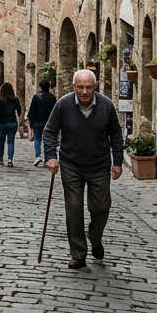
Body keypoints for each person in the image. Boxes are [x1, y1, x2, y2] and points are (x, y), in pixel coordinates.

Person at [43, 69, 124, 269]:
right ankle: (78, 253)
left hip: (99, 165)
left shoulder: (106, 105)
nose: (85, 91)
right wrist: (51, 157)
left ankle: (95, 238)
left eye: (89, 87)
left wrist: (118, 162)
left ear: (95, 87)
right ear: (74, 87)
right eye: (81, 87)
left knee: (101, 207)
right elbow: (50, 131)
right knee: (74, 209)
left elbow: (115, 135)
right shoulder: (63, 104)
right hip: (71, 165)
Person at [0, 82, 22, 166]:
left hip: (2, 123)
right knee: (11, 142)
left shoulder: (0, 101)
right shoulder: (15, 100)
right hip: (12, 122)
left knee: (1, 142)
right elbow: (19, 110)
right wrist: (18, 115)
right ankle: (10, 159)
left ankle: (0, 158)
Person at [27, 79, 56, 166]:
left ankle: (38, 156)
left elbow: (32, 110)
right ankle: (47, 158)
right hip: (48, 122)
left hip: (38, 121)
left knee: (37, 139)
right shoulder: (52, 97)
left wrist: (30, 121)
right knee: (47, 140)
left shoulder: (36, 97)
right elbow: (54, 111)